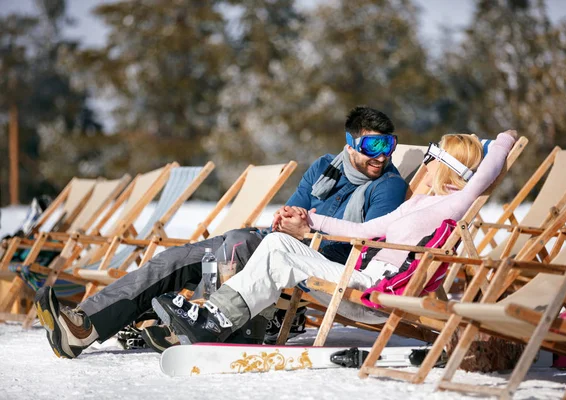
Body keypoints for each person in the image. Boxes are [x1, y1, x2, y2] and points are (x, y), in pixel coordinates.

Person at [34, 106, 409, 359]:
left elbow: (366, 242)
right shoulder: (325, 166)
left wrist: (306, 230)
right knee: (175, 258)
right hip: (282, 241)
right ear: (350, 144)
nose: (382, 155)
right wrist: (291, 222)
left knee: (234, 245)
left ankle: (207, 328)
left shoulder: (387, 186)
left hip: (318, 260)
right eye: (372, 145)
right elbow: (292, 211)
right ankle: (84, 325)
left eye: (388, 145)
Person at [147, 130, 518, 345]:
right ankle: (217, 315)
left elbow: (490, 168)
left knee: (279, 250)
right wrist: (312, 219)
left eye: (433, 156)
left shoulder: (455, 203)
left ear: (445, 165)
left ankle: (217, 319)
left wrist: (503, 139)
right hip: (363, 278)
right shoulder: (421, 202)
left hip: (376, 293)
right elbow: (363, 231)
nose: (427, 161)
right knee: (278, 243)